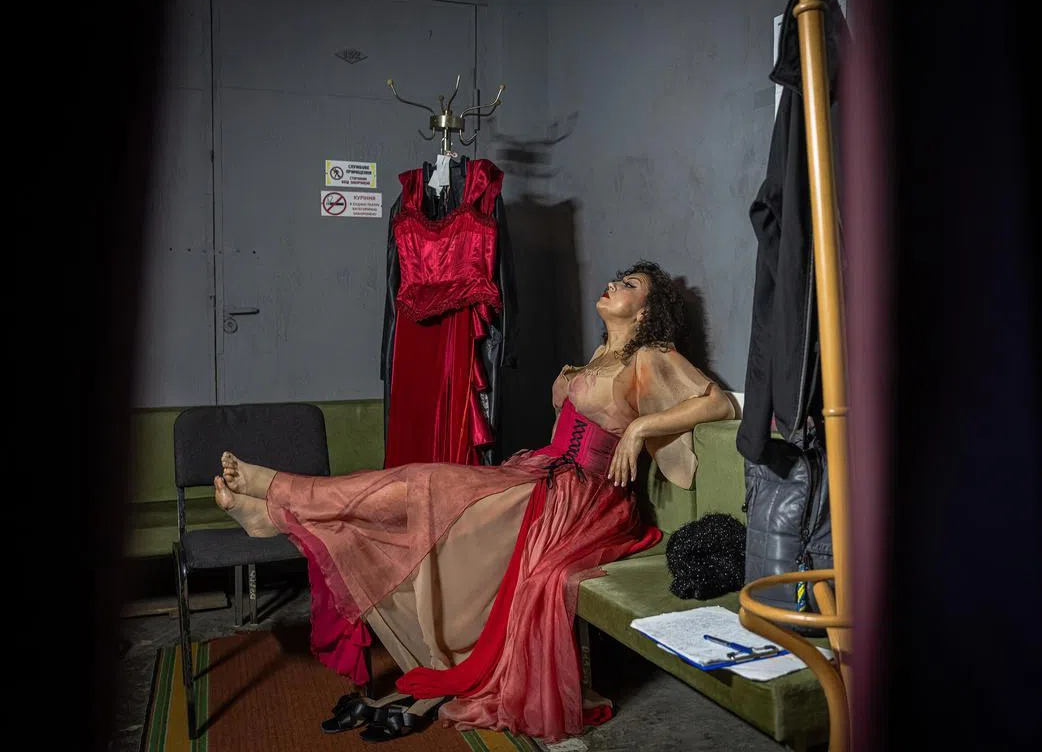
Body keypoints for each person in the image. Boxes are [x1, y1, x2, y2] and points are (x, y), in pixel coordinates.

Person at [213, 260, 738, 742]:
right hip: (544, 477)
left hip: (587, 503)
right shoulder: (598, 356)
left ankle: (282, 496)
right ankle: (285, 506)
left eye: (629, 286)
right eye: (617, 278)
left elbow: (715, 402)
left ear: (645, 310)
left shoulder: (651, 356)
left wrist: (641, 426)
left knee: (425, 488)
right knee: (426, 505)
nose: (613, 284)